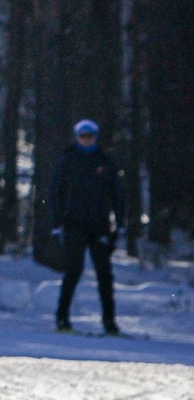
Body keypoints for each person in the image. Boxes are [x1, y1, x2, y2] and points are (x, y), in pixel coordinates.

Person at [49, 120, 123, 336]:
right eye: (83, 136)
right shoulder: (68, 160)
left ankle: (109, 322)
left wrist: (120, 223)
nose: (86, 140)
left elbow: (117, 194)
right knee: (73, 271)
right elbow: (56, 193)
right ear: (76, 137)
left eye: (90, 136)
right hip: (74, 224)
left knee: (104, 274)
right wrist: (57, 222)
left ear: (96, 137)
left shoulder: (105, 161)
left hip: (99, 225)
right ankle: (62, 318)